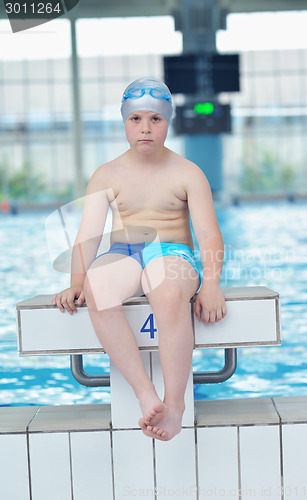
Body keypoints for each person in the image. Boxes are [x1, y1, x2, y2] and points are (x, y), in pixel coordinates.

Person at [52, 77, 226, 441]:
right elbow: (88, 235)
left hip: (172, 251)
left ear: (168, 122)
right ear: (124, 122)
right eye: (136, 120)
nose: (145, 128)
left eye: (155, 119)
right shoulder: (107, 174)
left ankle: (174, 404)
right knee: (99, 286)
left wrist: (211, 286)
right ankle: (145, 392)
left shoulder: (188, 172)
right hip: (125, 252)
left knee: (164, 287)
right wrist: (76, 282)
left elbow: (209, 234)